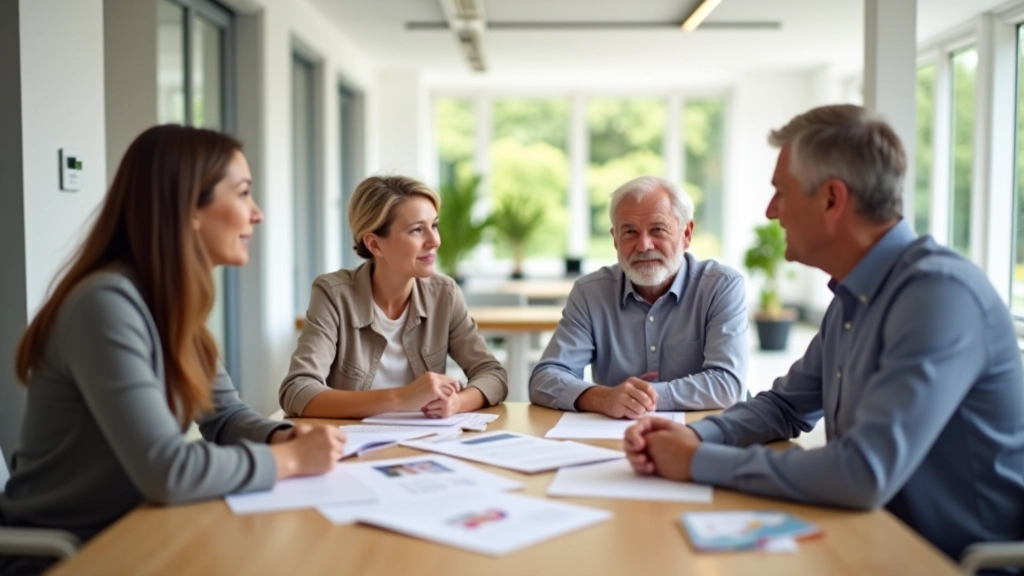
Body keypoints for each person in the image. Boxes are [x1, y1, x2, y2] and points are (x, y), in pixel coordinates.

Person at [625, 104, 1024, 560]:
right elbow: (783, 407)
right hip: (872, 540)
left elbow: (862, 472)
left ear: (832, 199)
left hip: (949, 562)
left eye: (782, 192)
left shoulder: (936, 295)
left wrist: (697, 462)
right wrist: (698, 437)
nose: (772, 210)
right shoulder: (856, 297)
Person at [0, 125, 346, 574]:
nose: (257, 214)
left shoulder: (170, 303)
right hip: (70, 554)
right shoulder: (104, 304)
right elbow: (167, 470)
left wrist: (282, 436)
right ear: (190, 209)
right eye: (243, 194)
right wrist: (294, 459)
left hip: (141, 530)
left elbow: (224, 418)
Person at [279, 175, 507, 419]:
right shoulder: (334, 294)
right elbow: (297, 390)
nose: (435, 241)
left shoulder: (445, 294)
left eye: (435, 226)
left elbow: (492, 374)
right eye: (417, 230)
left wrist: (456, 403)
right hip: (354, 446)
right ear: (375, 245)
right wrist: (401, 398)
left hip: (430, 443)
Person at [529, 175, 747, 418]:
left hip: (701, 439)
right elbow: (543, 380)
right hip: (612, 441)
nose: (643, 245)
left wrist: (639, 398)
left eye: (658, 230)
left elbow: (728, 385)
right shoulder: (590, 293)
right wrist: (603, 398)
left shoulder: (721, 286)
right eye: (630, 232)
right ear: (615, 240)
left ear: (686, 233)